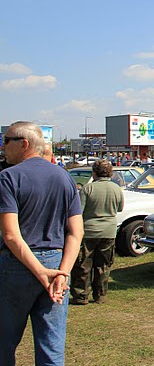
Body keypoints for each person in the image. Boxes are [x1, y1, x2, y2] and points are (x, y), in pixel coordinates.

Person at [0, 121, 84, 365]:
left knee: (4, 343)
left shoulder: (8, 178)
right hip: (56, 263)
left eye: (6, 141)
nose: (3, 147)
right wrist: (62, 273)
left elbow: (11, 235)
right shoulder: (64, 177)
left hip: (17, 265)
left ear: (23, 144)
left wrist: (41, 272)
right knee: (51, 346)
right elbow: (76, 232)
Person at [70, 160, 124, 305]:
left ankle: (81, 295)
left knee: (83, 264)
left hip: (89, 231)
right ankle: (100, 295)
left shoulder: (87, 189)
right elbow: (120, 208)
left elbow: (78, 211)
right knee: (103, 265)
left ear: (94, 173)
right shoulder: (116, 188)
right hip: (109, 231)